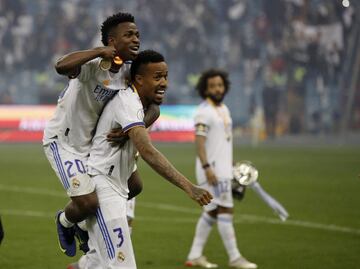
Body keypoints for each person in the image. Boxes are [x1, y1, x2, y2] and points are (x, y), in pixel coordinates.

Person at [43, 12, 159, 257]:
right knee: (88, 203)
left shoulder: (129, 75)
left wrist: (131, 130)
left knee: (134, 185)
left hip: (93, 146)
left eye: (137, 34)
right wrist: (99, 52)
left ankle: (85, 226)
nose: (136, 39)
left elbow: (154, 108)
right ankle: (65, 221)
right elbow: (61, 66)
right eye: (129, 35)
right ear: (112, 41)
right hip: (63, 142)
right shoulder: (92, 66)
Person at [82, 50, 212, 269]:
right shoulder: (127, 102)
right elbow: (148, 151)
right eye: (157, 77)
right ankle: (70, 219)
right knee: (123, 265)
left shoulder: (143, 105)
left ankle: (75, 219)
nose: (164, 83)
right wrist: (189, 187)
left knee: (98, 264)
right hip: (104, 187)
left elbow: (154, 110)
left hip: (116, 186)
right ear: (139, 79)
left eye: (166, 76)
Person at [185, 69, 257, 269]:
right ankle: (235, 258)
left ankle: (194, 255)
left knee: (212, 211)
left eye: (220, 85)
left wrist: (232, 165)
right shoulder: (203, 111)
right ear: (205, 89)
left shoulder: (224, 109)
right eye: (212, 86)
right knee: (226, 208)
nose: (217, 89)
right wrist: (207, 167)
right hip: (212, 170)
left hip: (223, 169)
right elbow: (199, 142)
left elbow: (223, 142)